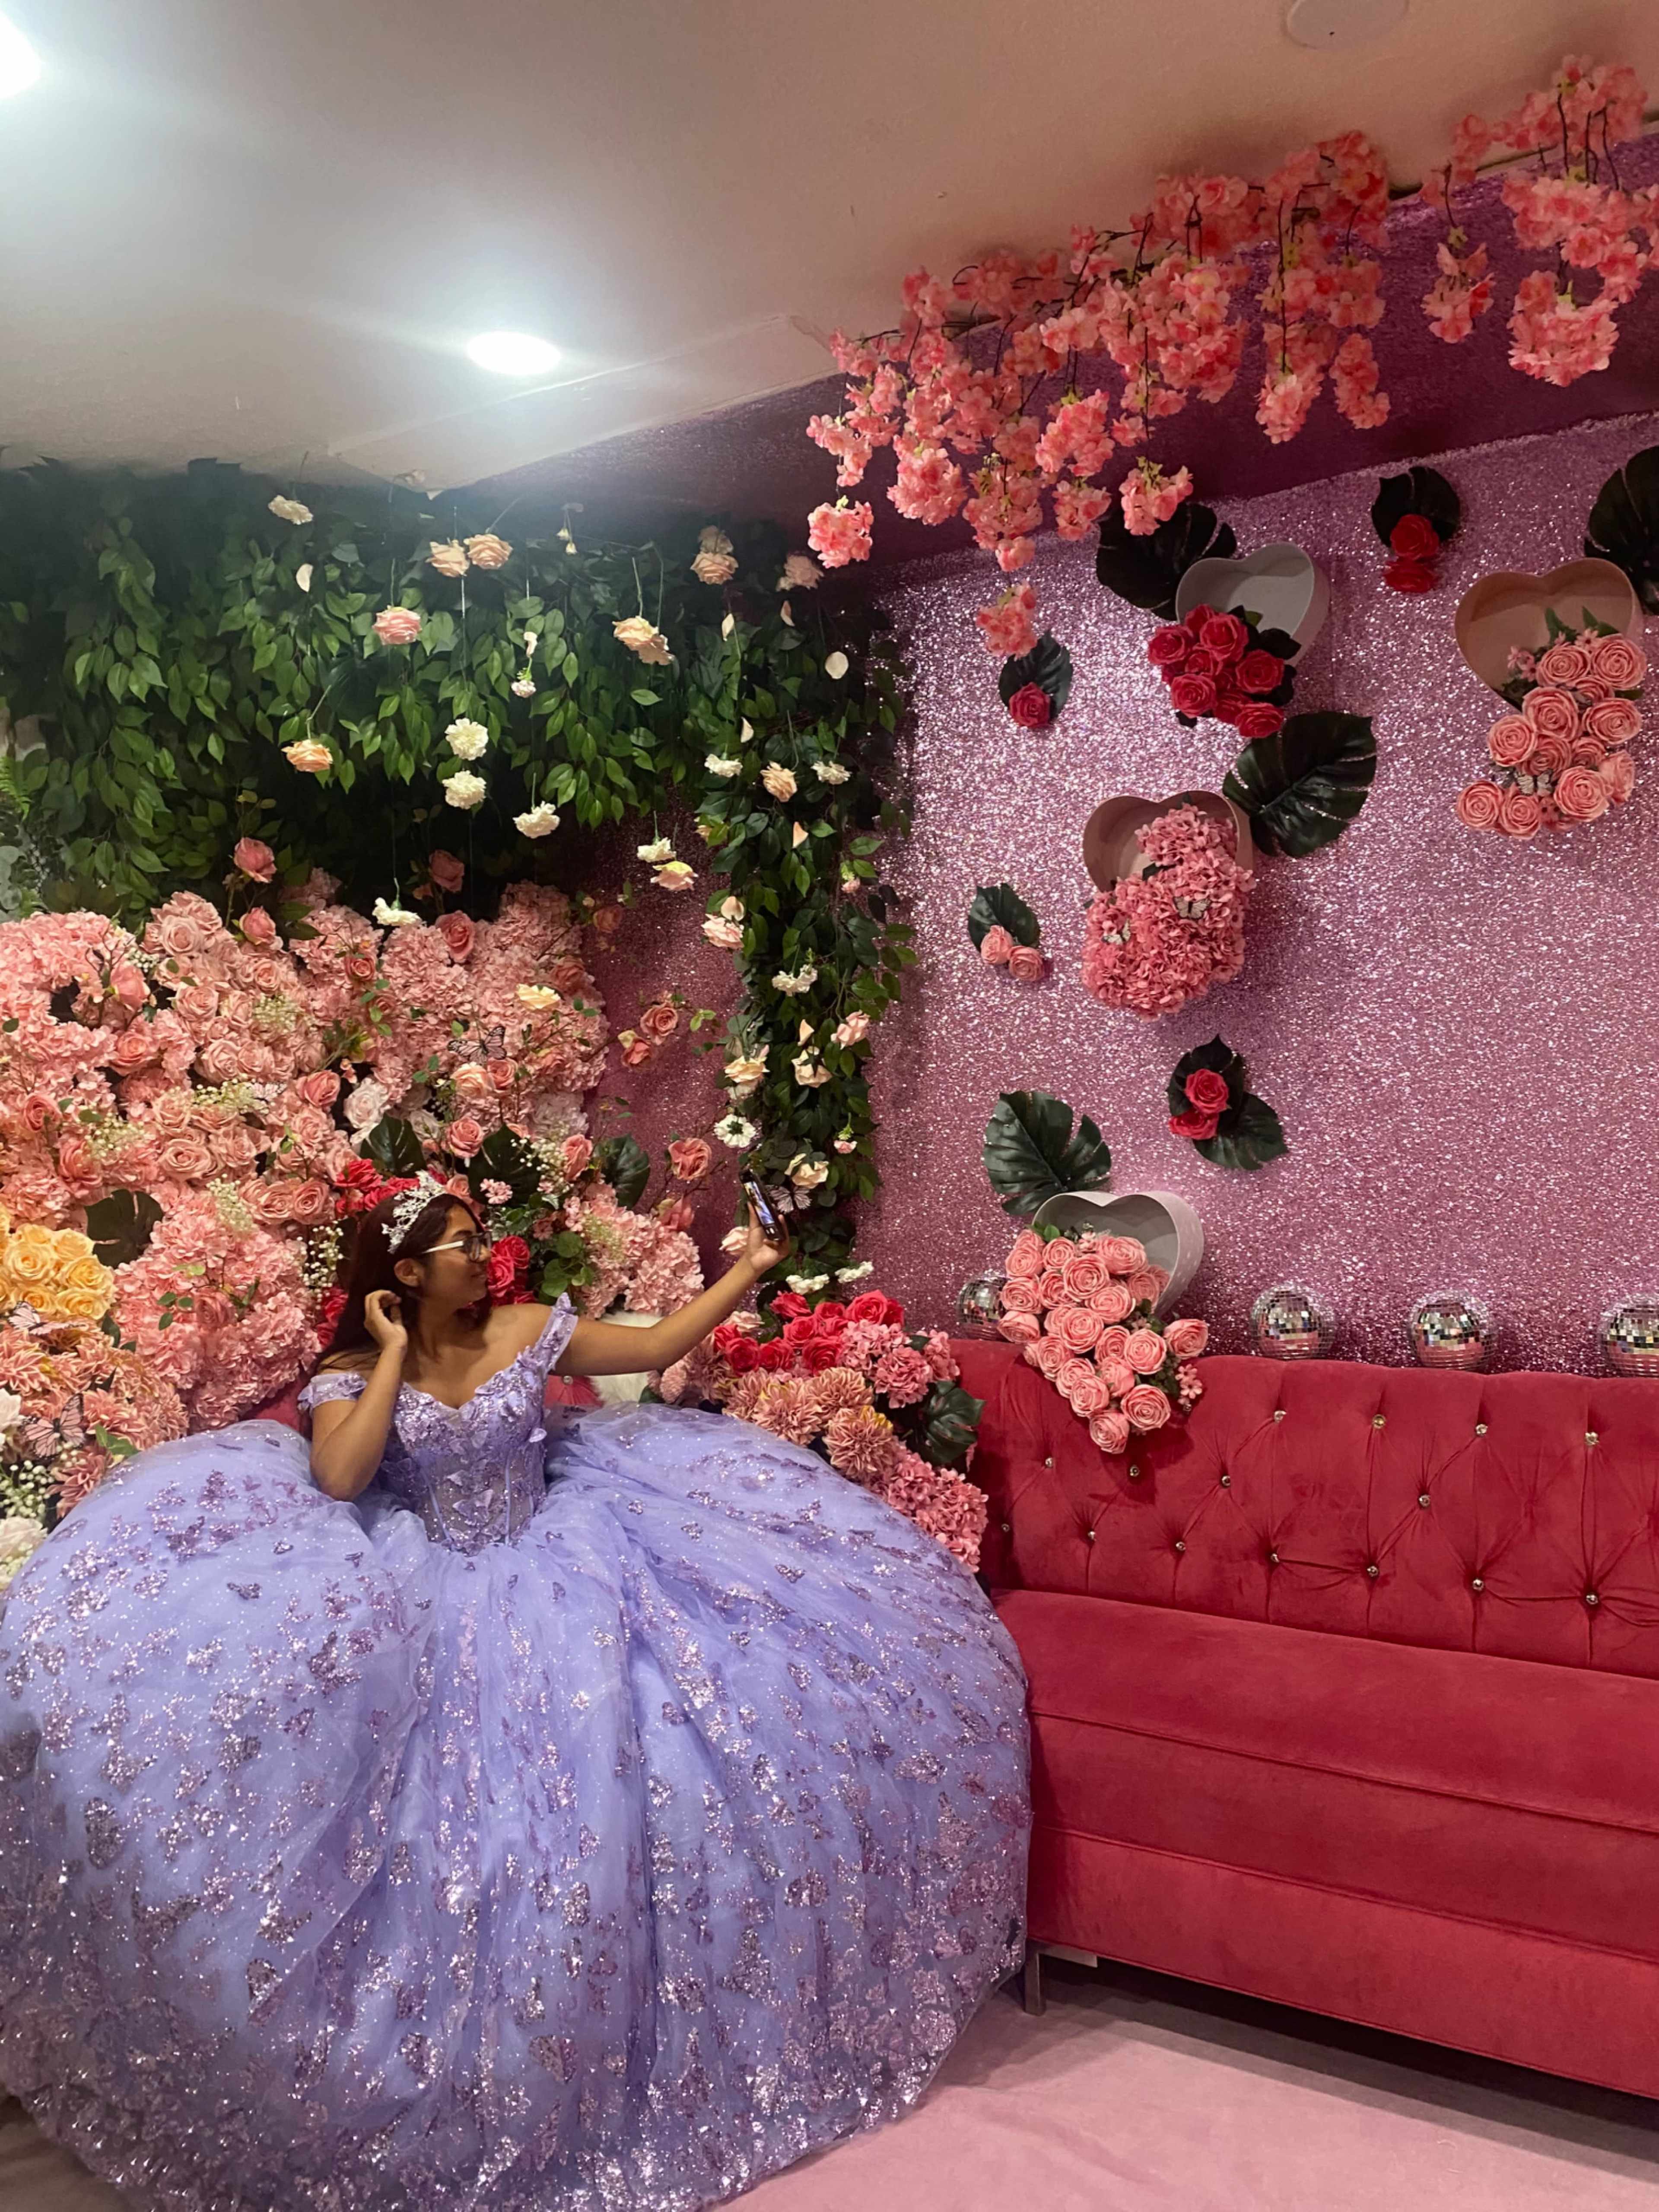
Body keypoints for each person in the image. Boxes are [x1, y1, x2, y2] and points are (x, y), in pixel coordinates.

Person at [0, 1170, 1030, 2212]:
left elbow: (659, 1345)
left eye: (476, 1233)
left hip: (560, 1561)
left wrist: (752, 1268)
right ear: (406, 1273)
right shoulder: (352, 1371)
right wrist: (391, 1354)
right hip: (421, 1580)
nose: (481, 1254)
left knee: (645, 1762)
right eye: (459, 1242)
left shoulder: (529, 1327)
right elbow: (343, 1479)